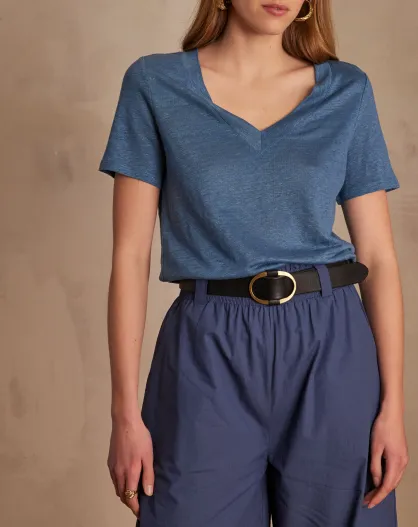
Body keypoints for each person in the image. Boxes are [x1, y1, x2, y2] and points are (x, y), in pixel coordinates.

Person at [98, 0, 408, 525]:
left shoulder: (347, 91)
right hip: (207, 344)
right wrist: (125, 415)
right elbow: (130, 255)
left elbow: (377, 255)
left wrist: (392, 408)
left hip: (330, 340)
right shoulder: (154, 84)